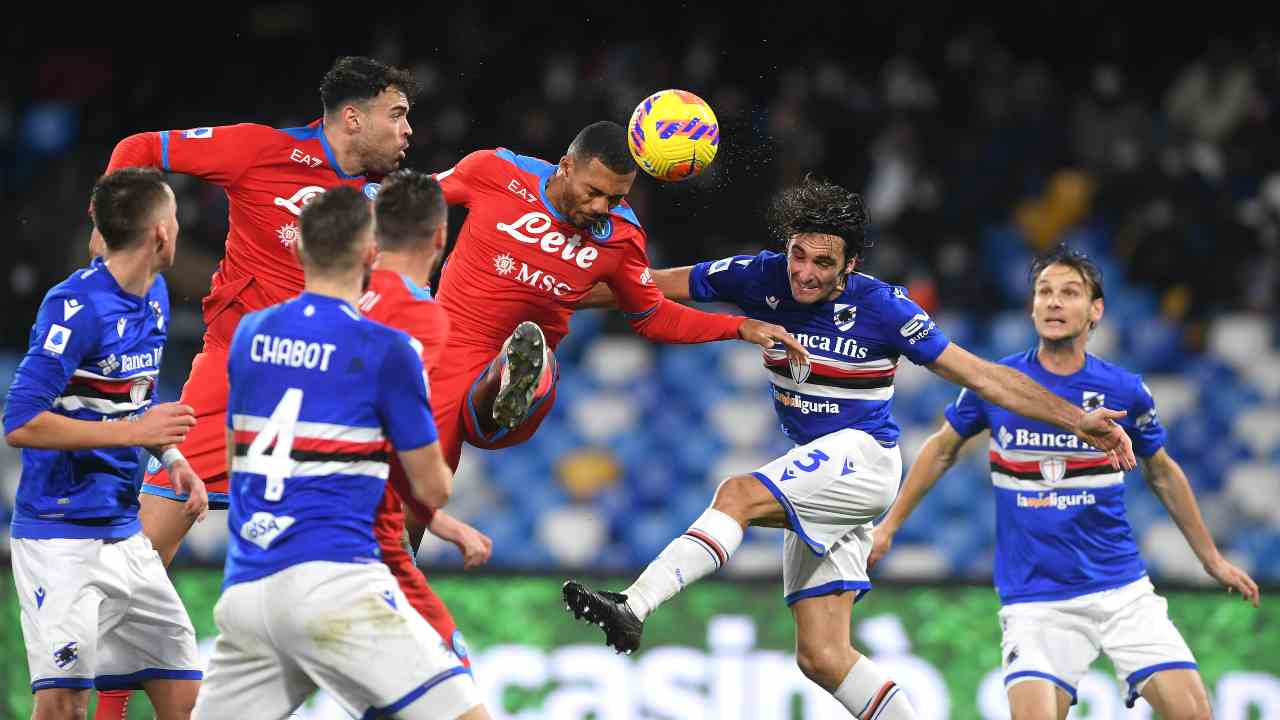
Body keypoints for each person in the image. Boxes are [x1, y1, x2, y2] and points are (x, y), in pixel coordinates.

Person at [561, 177, 1134, 720]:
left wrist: (1075, 419)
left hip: (863, 459)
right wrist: (543, 297)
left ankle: (633, 605)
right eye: (798, 255)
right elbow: (643, 285)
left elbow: (983, 377)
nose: (804, 274)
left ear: (850, 265)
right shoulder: (759, 276)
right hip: (825, 475)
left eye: (823, 263)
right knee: (822, 658)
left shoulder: (884, 307)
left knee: (735, 493)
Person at [868, 246, 1260, 719]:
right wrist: (888, 526)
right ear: (1032, 306)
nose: (1054, 302)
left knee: (1195, 714)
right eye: (1044, 292)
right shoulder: (997, 383)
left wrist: (1211, 558)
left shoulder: (1125, 391)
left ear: (1095, 311)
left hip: (1121, 591)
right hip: (1035, 602)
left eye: (1069, 293)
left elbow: (1163, 471)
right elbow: (941, 448)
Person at [94, 54, 416, 562]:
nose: (408, 130)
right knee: (144, 549)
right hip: (234, 369)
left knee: (379, 554)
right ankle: (93, 642)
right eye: (397, 115)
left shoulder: (390, 203)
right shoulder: (261, 149)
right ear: (354, 118)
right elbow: (140, 148)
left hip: (327, 383)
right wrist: (109, 232)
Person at [192, 188, 488, 720]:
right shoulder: (385, 347)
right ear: (371, 253)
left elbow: (241, 457)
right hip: (334, 580)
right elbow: (433, 485)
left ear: (299, 251)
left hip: (247, 587)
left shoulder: (251, 332)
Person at [428, 120, 806, 472]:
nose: (600, 208)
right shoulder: (496, 172)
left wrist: (739, 326)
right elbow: (408, 198)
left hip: (531, 378)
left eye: (614, 198)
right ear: (566, 166)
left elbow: (654, 315)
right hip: (448, 349)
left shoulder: (621, 237)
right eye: (593, 192)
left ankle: (511, 373)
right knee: (422, 489)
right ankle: (505, 375)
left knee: (529, 365)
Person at [4, 168, 206, 720]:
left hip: (126, 536)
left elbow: (131, 403)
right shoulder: (74, 307)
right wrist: (134, 435)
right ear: (162, 234)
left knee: (186, 699)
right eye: (176, 219)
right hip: (59, 539)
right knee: (64, 706)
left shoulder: (156, 296)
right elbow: (20, 421)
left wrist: (173, 458)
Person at [358, 169, 493, 667]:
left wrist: (439, 524)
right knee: (451, 679)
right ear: (441, 237)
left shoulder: (332, 303)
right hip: (363, 543)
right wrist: (436, 500)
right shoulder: (422, 318)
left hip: (275, 541)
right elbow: (422, 470)